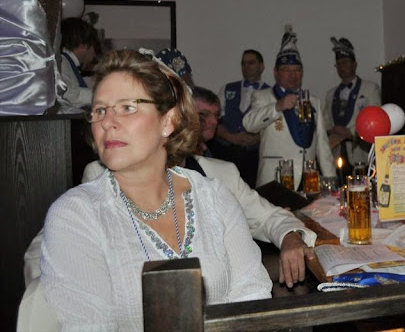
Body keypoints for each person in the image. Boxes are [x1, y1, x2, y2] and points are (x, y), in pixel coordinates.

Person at [40, 50, 271, 330]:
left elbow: (251, 298)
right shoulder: (77, 215)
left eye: (127, 107)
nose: (107, 122)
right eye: (99, 110)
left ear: (168, 121)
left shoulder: (214, 198)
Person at [243, 26, 335, 189]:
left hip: (309, 179)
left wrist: (330, 178)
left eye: (297, 70)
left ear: (302, 72)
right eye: (286, 70)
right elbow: (249, 124)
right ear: (275, 72)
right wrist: (277, 107)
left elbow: (322, 143)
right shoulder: (263, 96)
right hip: (275, 179)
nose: (293, 75)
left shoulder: (313, 101)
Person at [213, 50, 269, 187]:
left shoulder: (270, 93)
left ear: (261, 66)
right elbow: (213, 120)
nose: (246, 67)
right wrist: (231, 137)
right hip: (226, 152)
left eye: (251, 63)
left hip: (254, 156)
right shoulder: (227, 89)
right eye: (243, 64)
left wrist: (258, 138)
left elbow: (274, 125)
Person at [323, 37, 380, 169]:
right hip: (336, 157)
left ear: (354, 64)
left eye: (345, 62)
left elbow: (375, 122)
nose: (341, 67)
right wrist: (332, 130)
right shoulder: (330, 94)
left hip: (362, 155)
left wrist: (351, 132)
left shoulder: (370, 89)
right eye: (338, 64)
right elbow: (325, 122)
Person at [58, 17, 100, 110]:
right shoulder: (62, 62)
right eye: (94, 48)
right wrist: (105, 95)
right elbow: (71, 96)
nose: (94, 55)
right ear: (83, 45)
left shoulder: (66, 62)